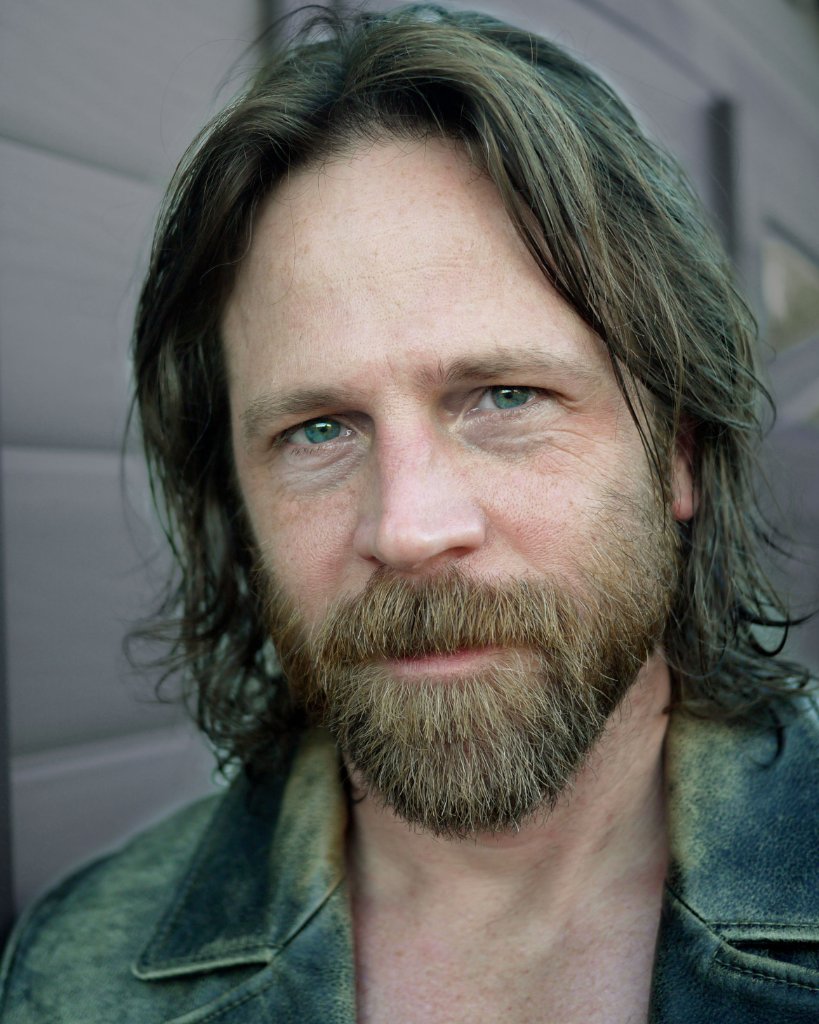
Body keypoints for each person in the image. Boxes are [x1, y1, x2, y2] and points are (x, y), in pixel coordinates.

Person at [1, 5, 817, 1022]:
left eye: (505, 397)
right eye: (318, 430)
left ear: (679, 452)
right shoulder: (77, 977)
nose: (407, 529)